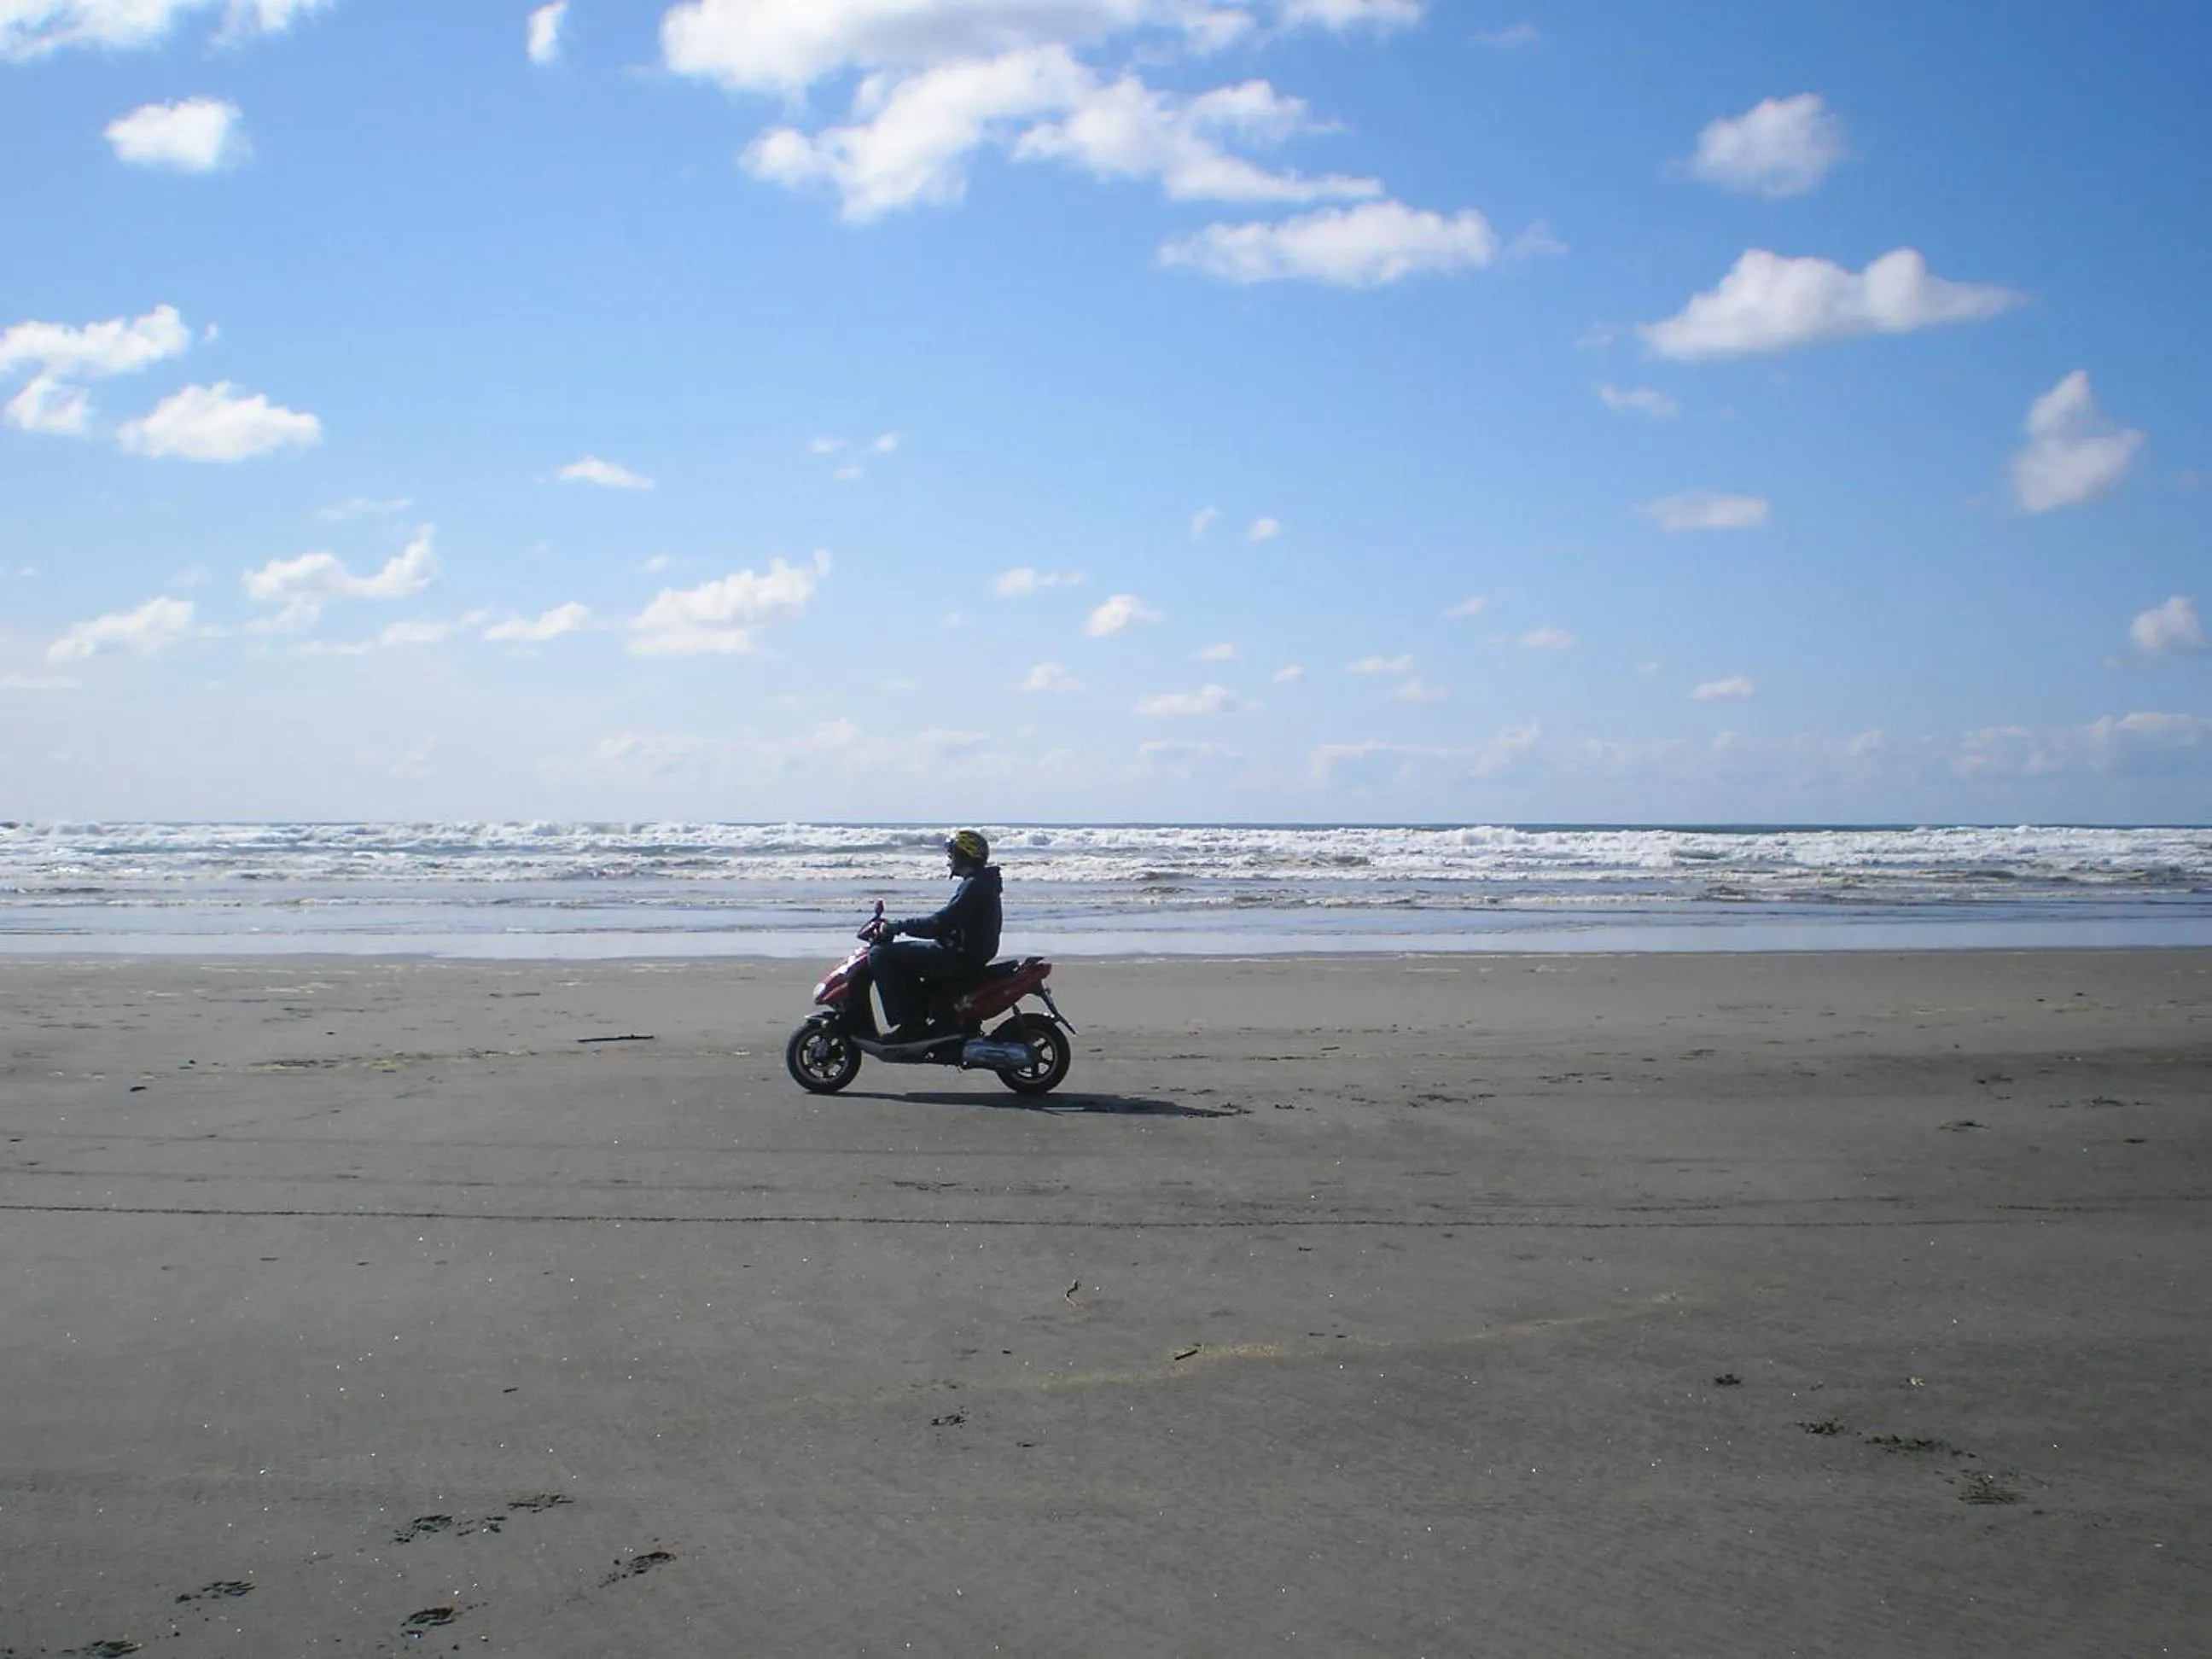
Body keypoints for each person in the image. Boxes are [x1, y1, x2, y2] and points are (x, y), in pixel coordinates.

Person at [869, 830, 1004, 1045]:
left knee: (881, 955)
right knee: (903, 956)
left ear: (963, 855)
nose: (948, 860)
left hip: (959, 957)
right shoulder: (980, 883)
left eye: (952, 855)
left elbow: (940, 923)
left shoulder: (975, 886)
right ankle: (924, 1016)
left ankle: (911, 1025)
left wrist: (899, 926)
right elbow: (947, 922)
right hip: (964, 953)